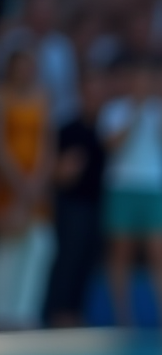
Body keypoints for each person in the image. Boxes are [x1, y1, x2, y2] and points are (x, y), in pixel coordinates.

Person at [98, 57, 162, 327]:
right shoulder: (114, 110)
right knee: (122, 252)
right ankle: (123, 317)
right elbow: (111, 145)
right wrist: (134, 113)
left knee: (161, 252)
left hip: (155, 186)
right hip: (122, 186)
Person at [43, 71, 106, 328]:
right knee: (67, 259)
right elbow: (55, 172)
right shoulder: (67, 129)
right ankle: (58, 311)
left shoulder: (109, 129)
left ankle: (76, 312)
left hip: (99, 206)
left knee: (88, 261)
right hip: (71, 206)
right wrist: (62, 170)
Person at [0, 48, 54, 330]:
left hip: (34, 185)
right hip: (9, 185)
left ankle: (25, 313)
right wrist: (20, 184)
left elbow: (47, 143)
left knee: (39, 243)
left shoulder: (42, 98)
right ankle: (4, 314)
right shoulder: (3, 97)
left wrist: (37, 181)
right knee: (8, 246)